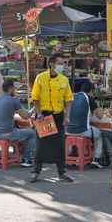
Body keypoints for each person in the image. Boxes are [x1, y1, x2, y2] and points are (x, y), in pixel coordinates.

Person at [30, 53, 74, 183]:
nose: (62, 66)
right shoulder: (41, 78)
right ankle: (35, 172)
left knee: (59, 145)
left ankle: (62, 172)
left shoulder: (64, 80)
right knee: (41, 145)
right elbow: (35, 98)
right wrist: (38, 113)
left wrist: (67, 116)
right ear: (51, 64)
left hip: (58, 116)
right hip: (45, 115)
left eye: (63, 63)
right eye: (60, 63)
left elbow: (69, 100)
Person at [0, 80, 36, 167]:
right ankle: (26, 159)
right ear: (11, 88)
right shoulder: (13, 100)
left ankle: (18, 155)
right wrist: (35, 108)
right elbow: (26, 116)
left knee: (22, 133)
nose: (15, 90)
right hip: (7, 134)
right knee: (32, 133)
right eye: (14, 88)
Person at [67, 80, 104, 169]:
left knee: (78, 132)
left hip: (68, 130)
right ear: (91, 91)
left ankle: (71, 154)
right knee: (99, 134)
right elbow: (100, 116)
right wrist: (98, 105)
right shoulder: (89, 98)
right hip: (82, 130)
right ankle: (97, 159)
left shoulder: (71, 96)